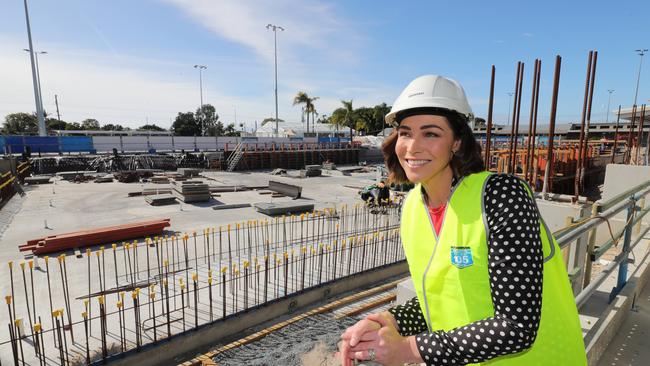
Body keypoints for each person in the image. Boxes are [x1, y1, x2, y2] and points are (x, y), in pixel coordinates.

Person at [337, 75, 586, 365]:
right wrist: (387, 321)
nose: (412, 147)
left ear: (456, 142)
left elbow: (517, 327)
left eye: (431, 133)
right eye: (405, 133)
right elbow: (442, 299)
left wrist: (410, 349)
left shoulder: (500, 196)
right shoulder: (413, 208)